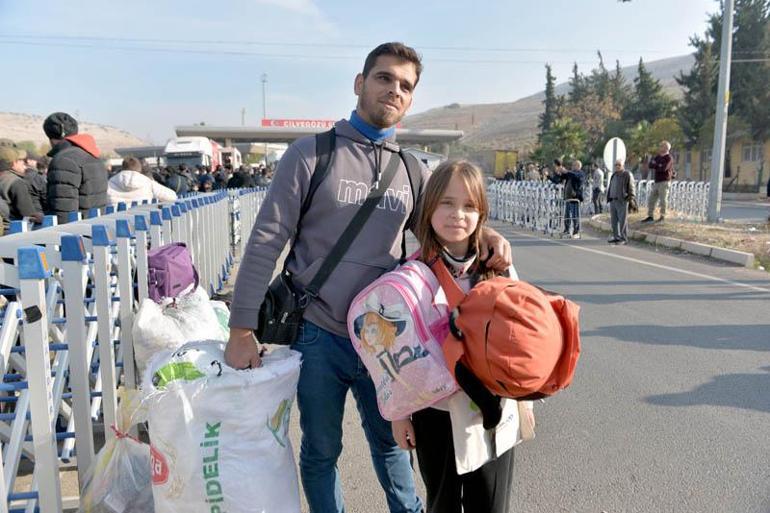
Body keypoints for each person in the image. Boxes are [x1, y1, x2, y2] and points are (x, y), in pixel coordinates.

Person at [224, 42, 512, 513]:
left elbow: (443, 222)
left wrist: (489, 233)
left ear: (411, 99)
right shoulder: (310, 155)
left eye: (405, 86)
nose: (393, 90)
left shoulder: (413, 170)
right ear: (360, 83)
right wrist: (241, 330)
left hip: (389, 342)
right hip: (319, 334)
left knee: (394, 446)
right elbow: (265, 241)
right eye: (384, 78)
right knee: (321, 451)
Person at [391, 159, 534, 513]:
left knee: (491, 504)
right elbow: (397, 356)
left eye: (469, 206)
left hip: (494, 411)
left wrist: (526, 400)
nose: (458, 214)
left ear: (481, 213)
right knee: (442, 504)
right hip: (434, 413)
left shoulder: (500, 267)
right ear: (428, 209)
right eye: (446, 203)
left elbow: (521, 340)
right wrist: (399, 415)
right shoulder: (410, 275)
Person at [43, 112, 108, 223]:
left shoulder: (63, 160)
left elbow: (63, 211)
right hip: (96, 227)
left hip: (77, 233)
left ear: (50, 137)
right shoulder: (93, 155)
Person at [0, 146, 44, 231]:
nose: (24, 164)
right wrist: (40, 217)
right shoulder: (16, 182)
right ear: (13, 163)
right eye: (21, 161)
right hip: (12, 232)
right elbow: (29, 214)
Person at [107, 156, 177, 206]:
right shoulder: (148, 182)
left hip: (115, 222)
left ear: (122, 167)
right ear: (139, 169)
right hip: (142, 221)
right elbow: (172, 197)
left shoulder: (110, 183)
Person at [550, 158, 585, 238]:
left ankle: (576, 232)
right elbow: (558, 180)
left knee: (575, 215)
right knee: (567, 216)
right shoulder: (570, 174)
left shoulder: (580, 173)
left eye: (574, 165)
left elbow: (576, 177)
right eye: (572, 165)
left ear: (578, 166)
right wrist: (556, 172)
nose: (572, 167)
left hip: (575, 198)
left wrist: (567, 171)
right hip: (567, 198)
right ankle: (567, 230)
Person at [642, 141, 674, 223]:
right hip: (657, 181)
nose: (660, 147)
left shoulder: (669, 158)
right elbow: (650, 165)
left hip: (665, 181)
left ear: (666, 148)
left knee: (663, 200)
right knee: (651, 199)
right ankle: (650, 216)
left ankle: (662, 216)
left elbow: (663, 168)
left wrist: (657, 165)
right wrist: (658, 165)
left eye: (662, 146)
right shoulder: (658, 157)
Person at [606, 159, 637, 245]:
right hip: (613, 200)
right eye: (616, 165)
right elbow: (611, 186)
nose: (617, 166)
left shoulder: (627, 174)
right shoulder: (614, 175)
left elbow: (632, 187)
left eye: (619, 165)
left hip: (622, 201)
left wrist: (630, 199)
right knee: (614, 221)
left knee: (622, 221)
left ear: (623, 165)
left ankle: (623, 238)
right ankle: (616, 237)